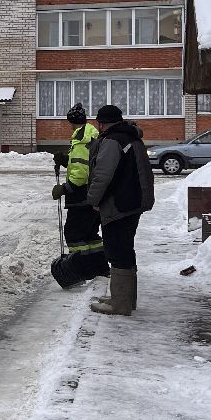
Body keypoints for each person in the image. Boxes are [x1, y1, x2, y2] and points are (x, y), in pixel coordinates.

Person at [83, 104, 155, 315]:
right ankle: (123, 297)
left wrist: (93, 200)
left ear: (102, 123)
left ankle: (120, 304)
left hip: (119, 203)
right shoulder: (132, 138)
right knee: (125, 248)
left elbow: (103, 175)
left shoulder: (113, 141)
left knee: (117, 250)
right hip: (132, 202)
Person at [52, 104, 105, 273]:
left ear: (72, 122)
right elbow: (84, 164)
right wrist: (66, 159)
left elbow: (81, 173)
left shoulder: (82, 140)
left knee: (74, 234)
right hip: (92, 196)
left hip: (81, 197)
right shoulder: (91, 136)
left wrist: (64, 189)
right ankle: (100, 268)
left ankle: (81, 270)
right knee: (90, 235)